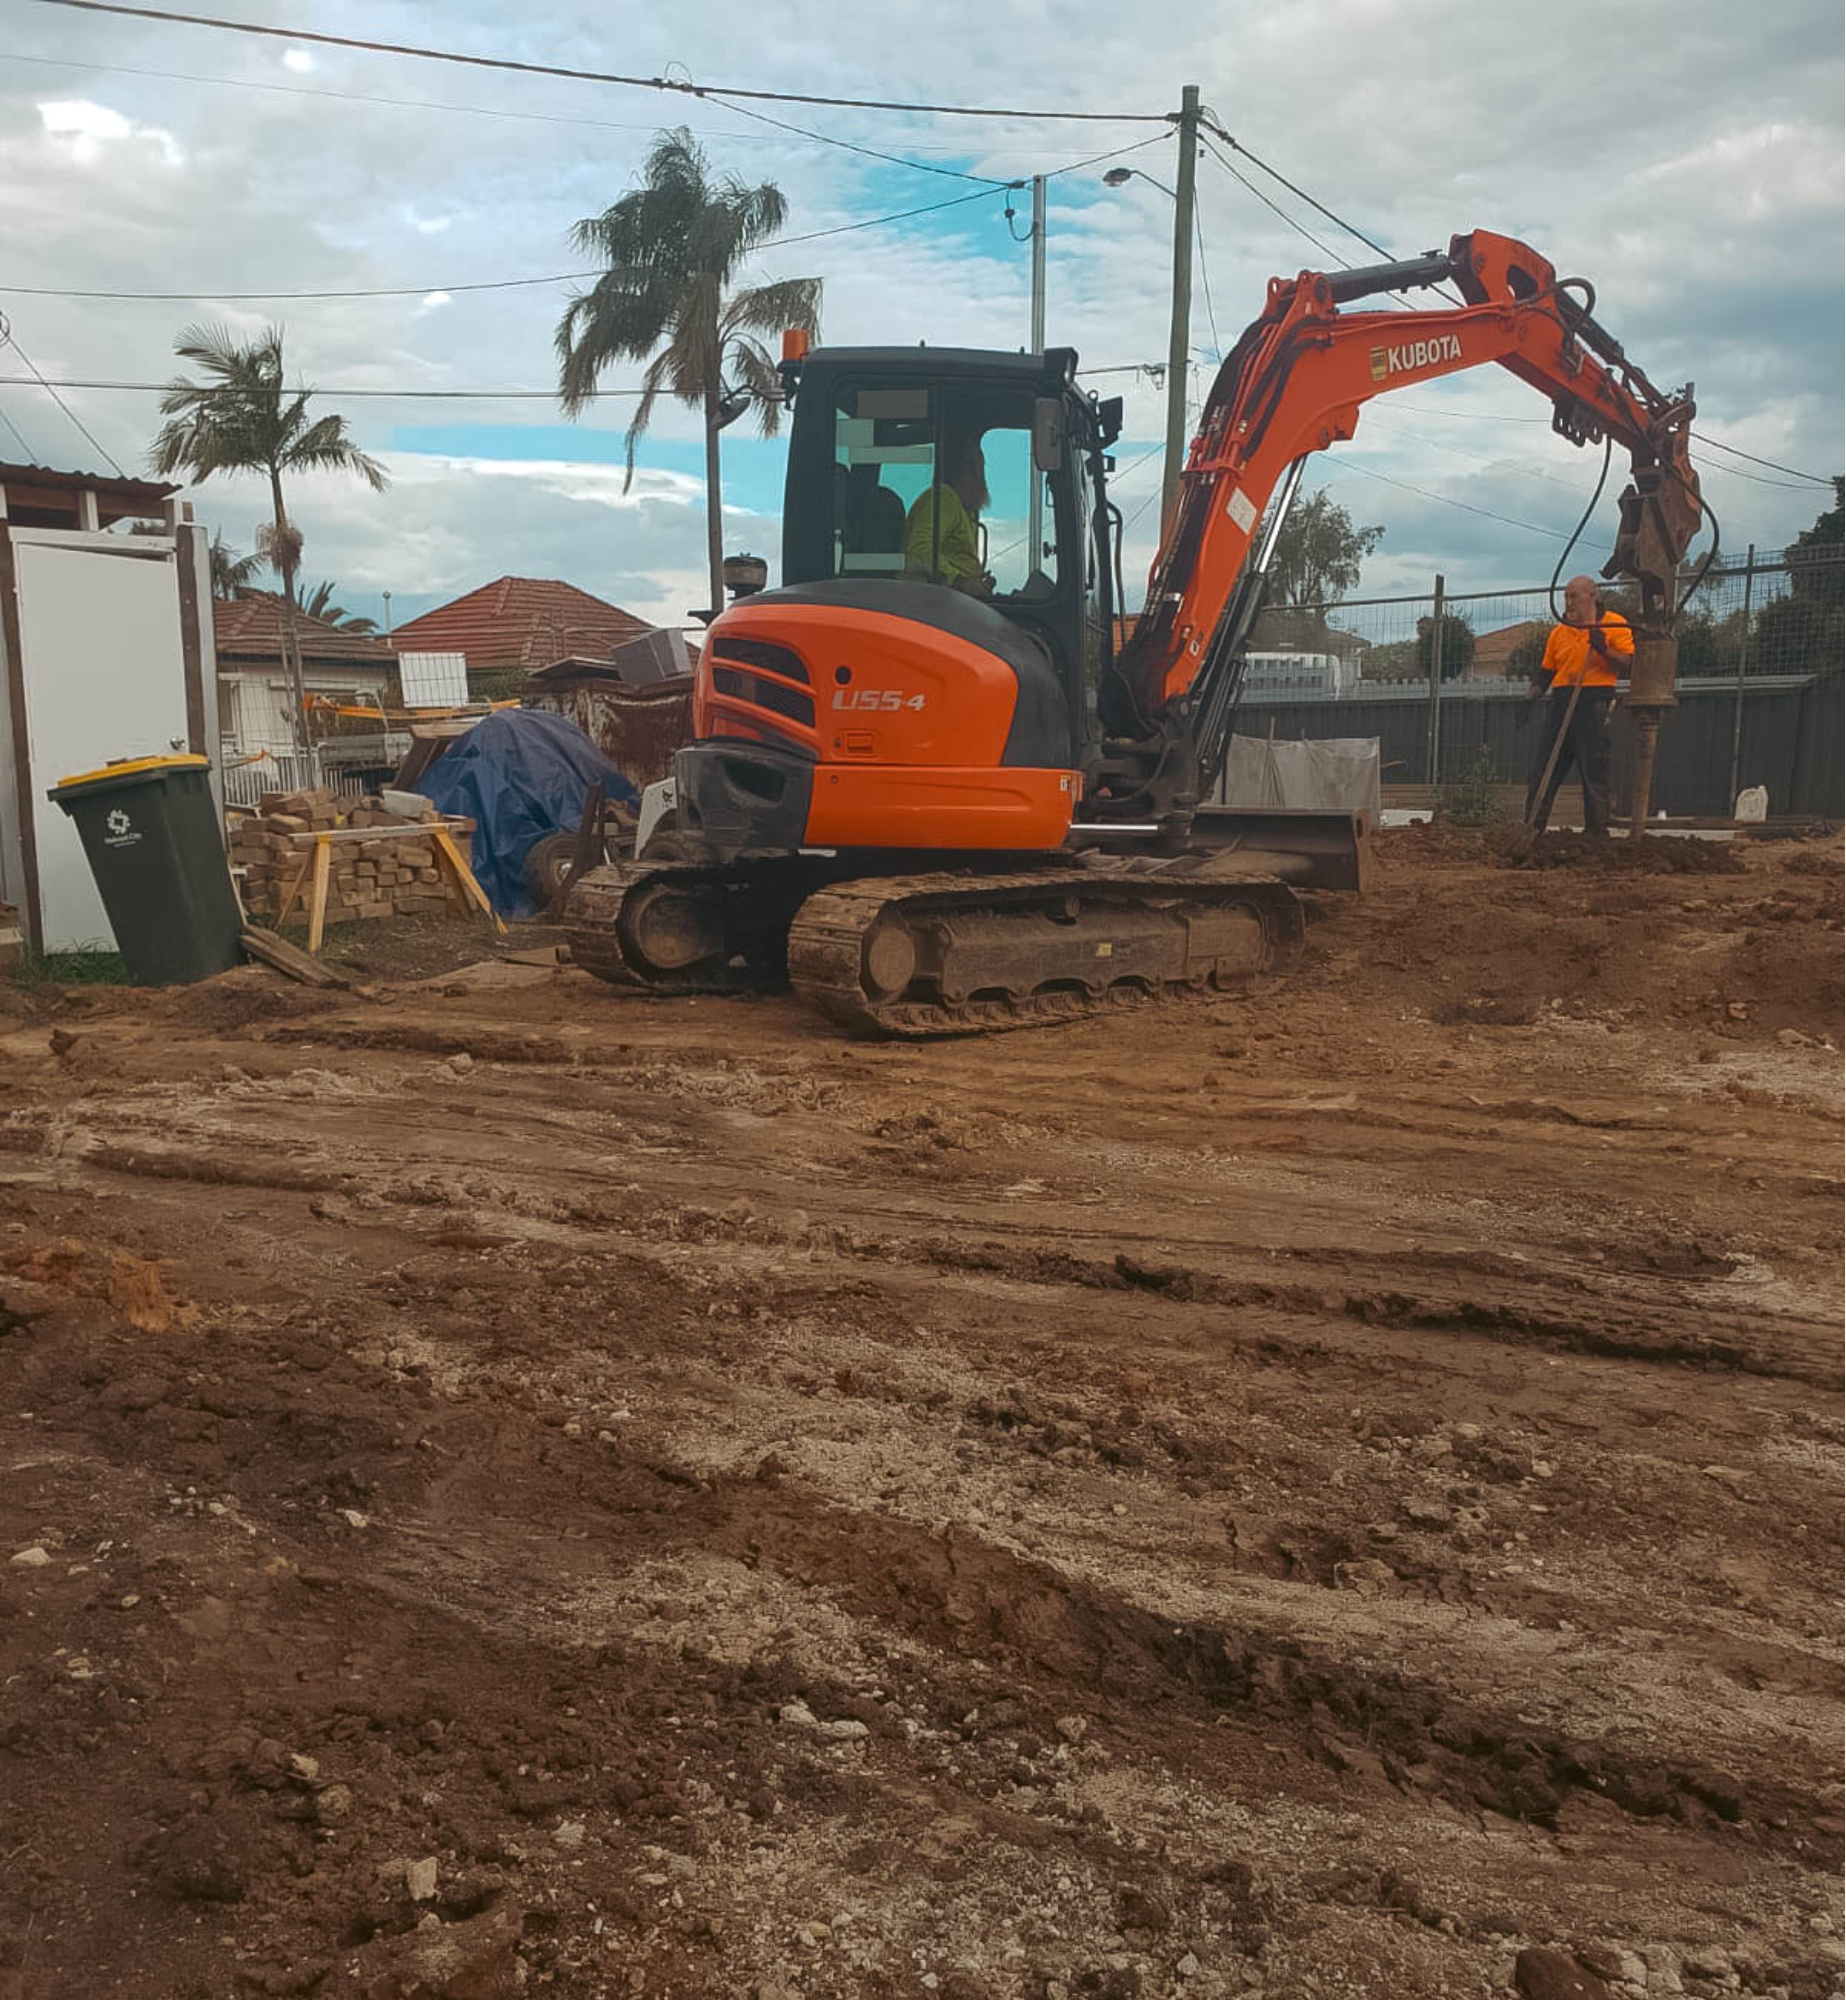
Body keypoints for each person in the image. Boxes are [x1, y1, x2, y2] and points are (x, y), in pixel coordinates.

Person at [1524, 574, 1634, 838]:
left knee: (1593, 769)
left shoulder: (1614, 624)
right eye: (1566, 597)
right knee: (1544, 769)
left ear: (1592, 596)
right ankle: (1532, 830)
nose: (1569, 602)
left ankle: (1596, 833)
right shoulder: (1559, 632)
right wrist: (1531, 696)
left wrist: (1603, 648)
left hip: (1594, 702)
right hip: (1562, 702)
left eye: (1574, 596)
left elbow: (1629, 664)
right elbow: (1546, 672)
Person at [904, 434, 994, 597]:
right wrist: (960, 582)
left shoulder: (964, 510)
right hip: (941, 603)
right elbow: (919, 552)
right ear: (973, 467)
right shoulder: (944, 498)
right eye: (983, 466)